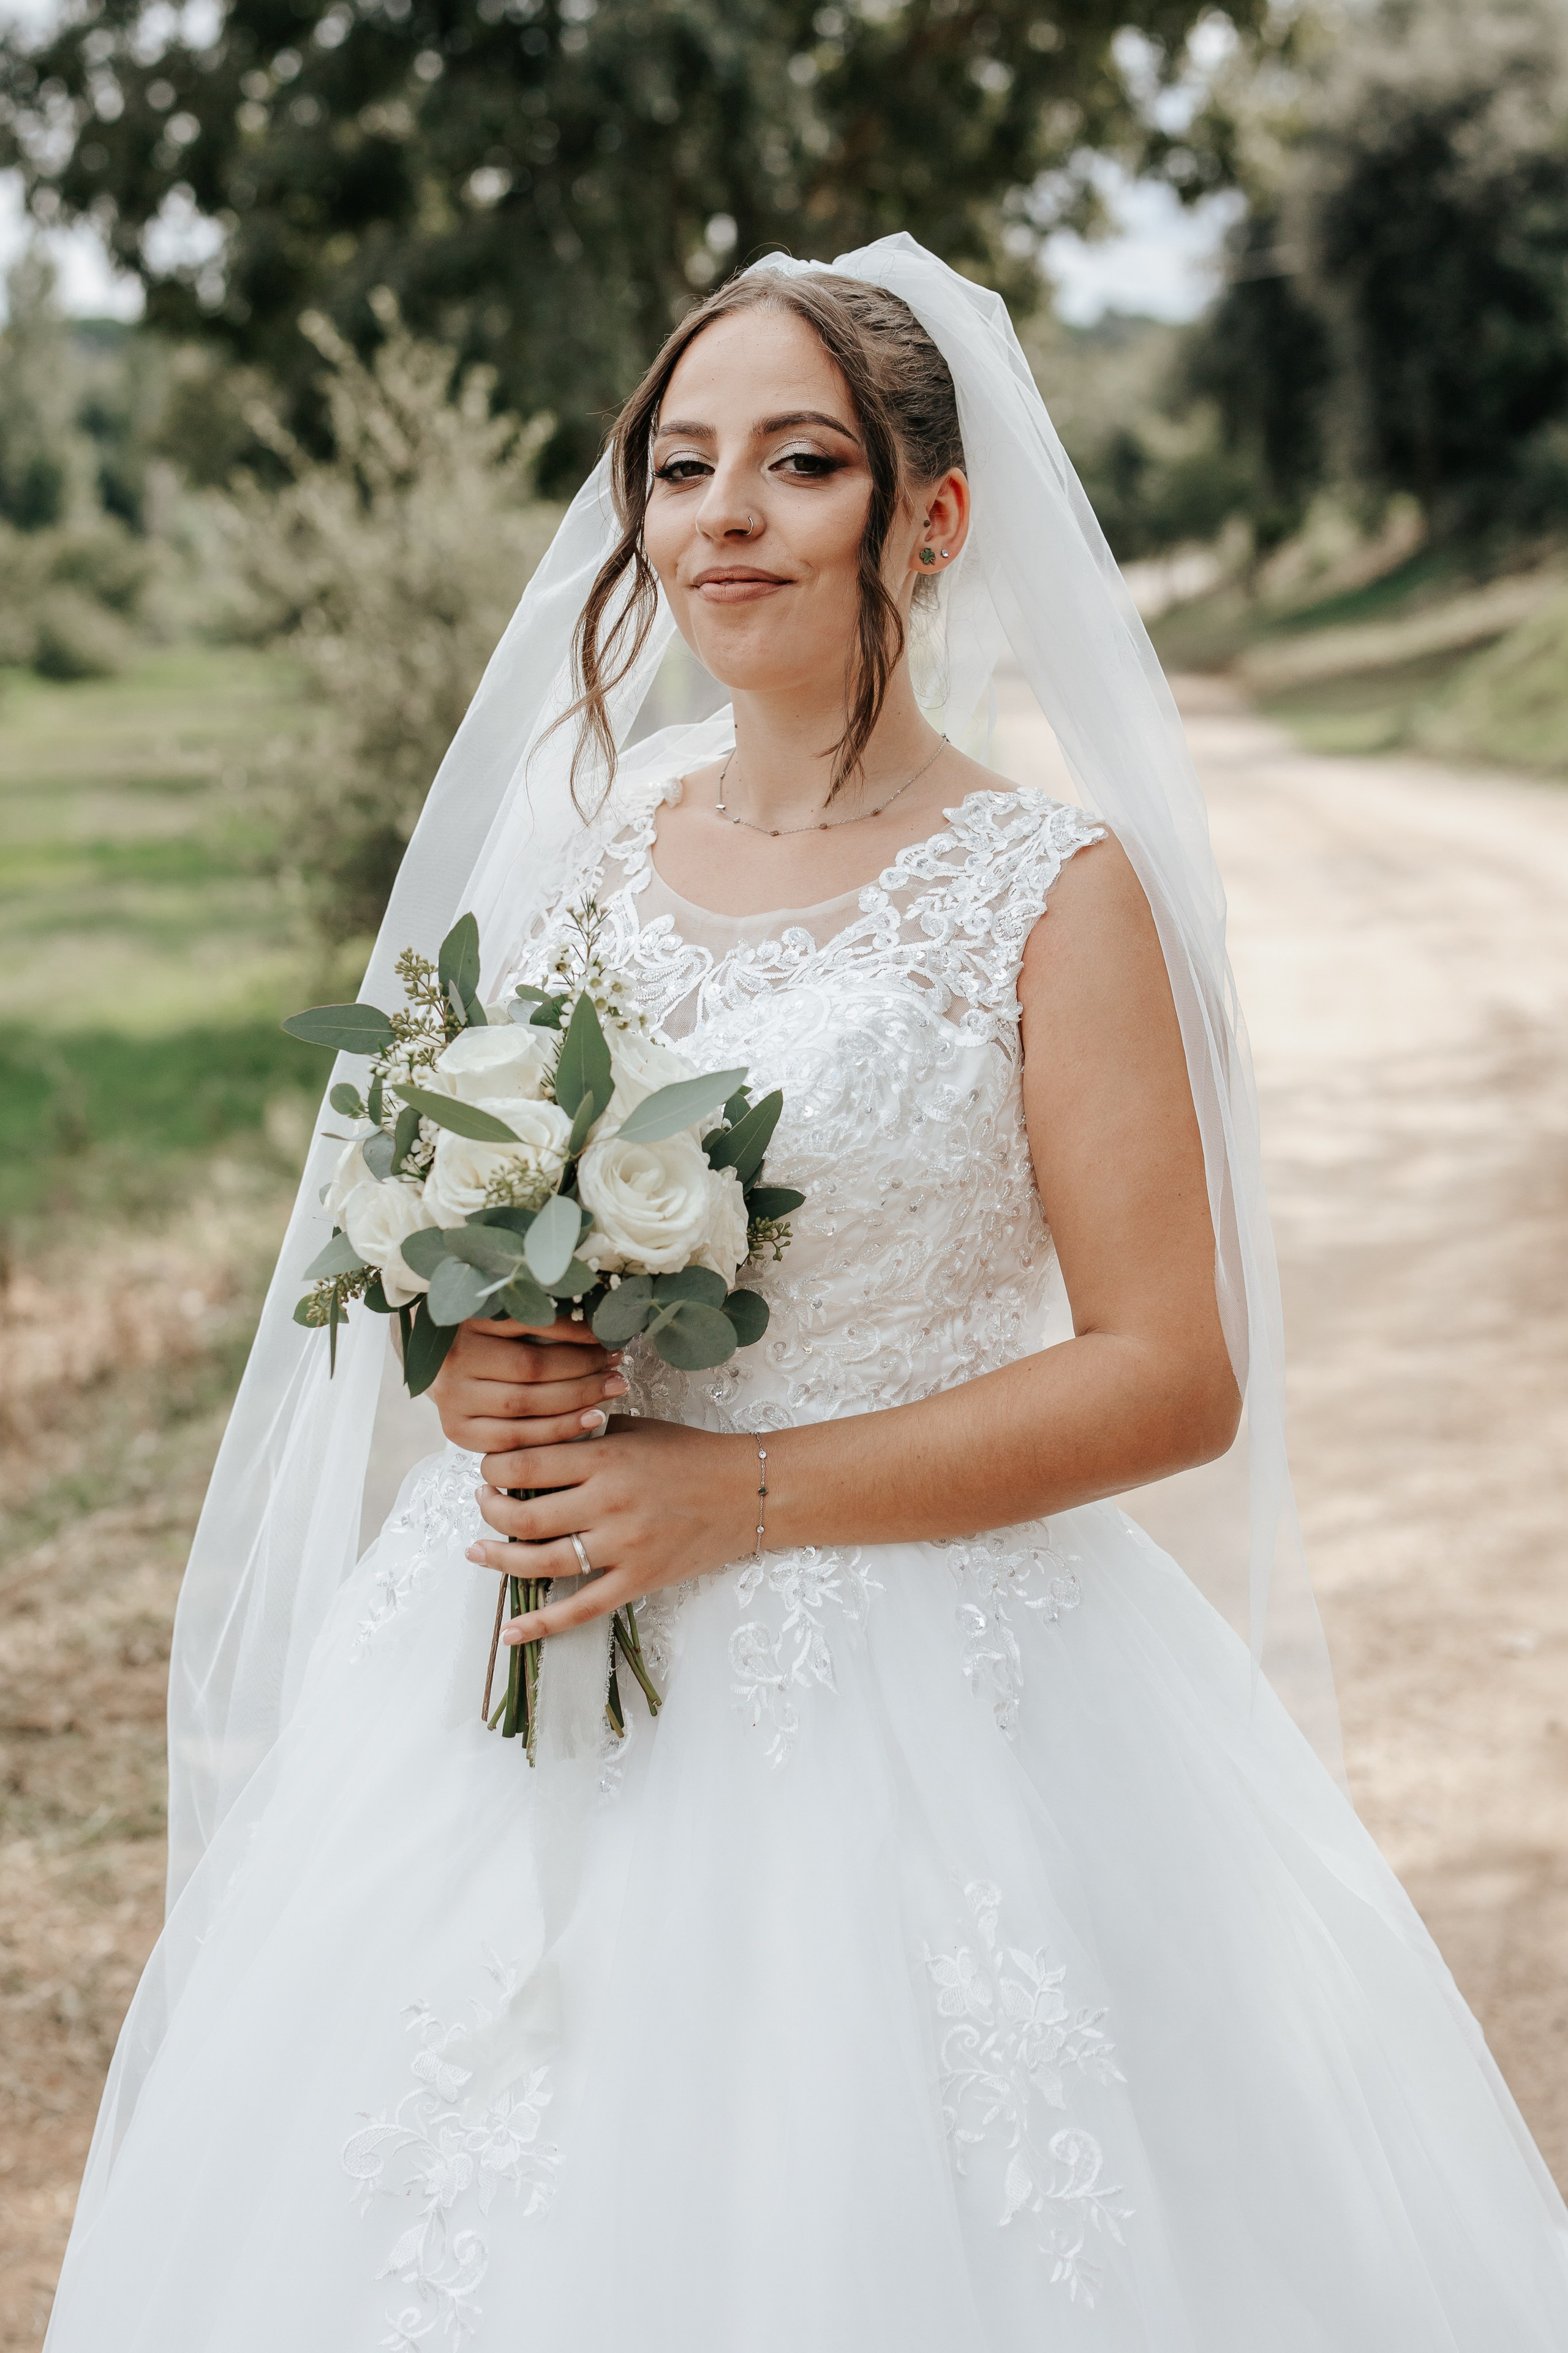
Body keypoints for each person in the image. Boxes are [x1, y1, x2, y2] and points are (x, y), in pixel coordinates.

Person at [43, 241, 1568, 2351]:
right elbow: (469, 1239)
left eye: (799, 463)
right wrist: (490, 1362)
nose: (724, 518)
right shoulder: (587, 840)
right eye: (681, 468)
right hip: (536, 1637)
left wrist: (739, 1499)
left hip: (923, 1683)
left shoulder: (1048, 892)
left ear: (930, 518)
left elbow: (1169, 1374)